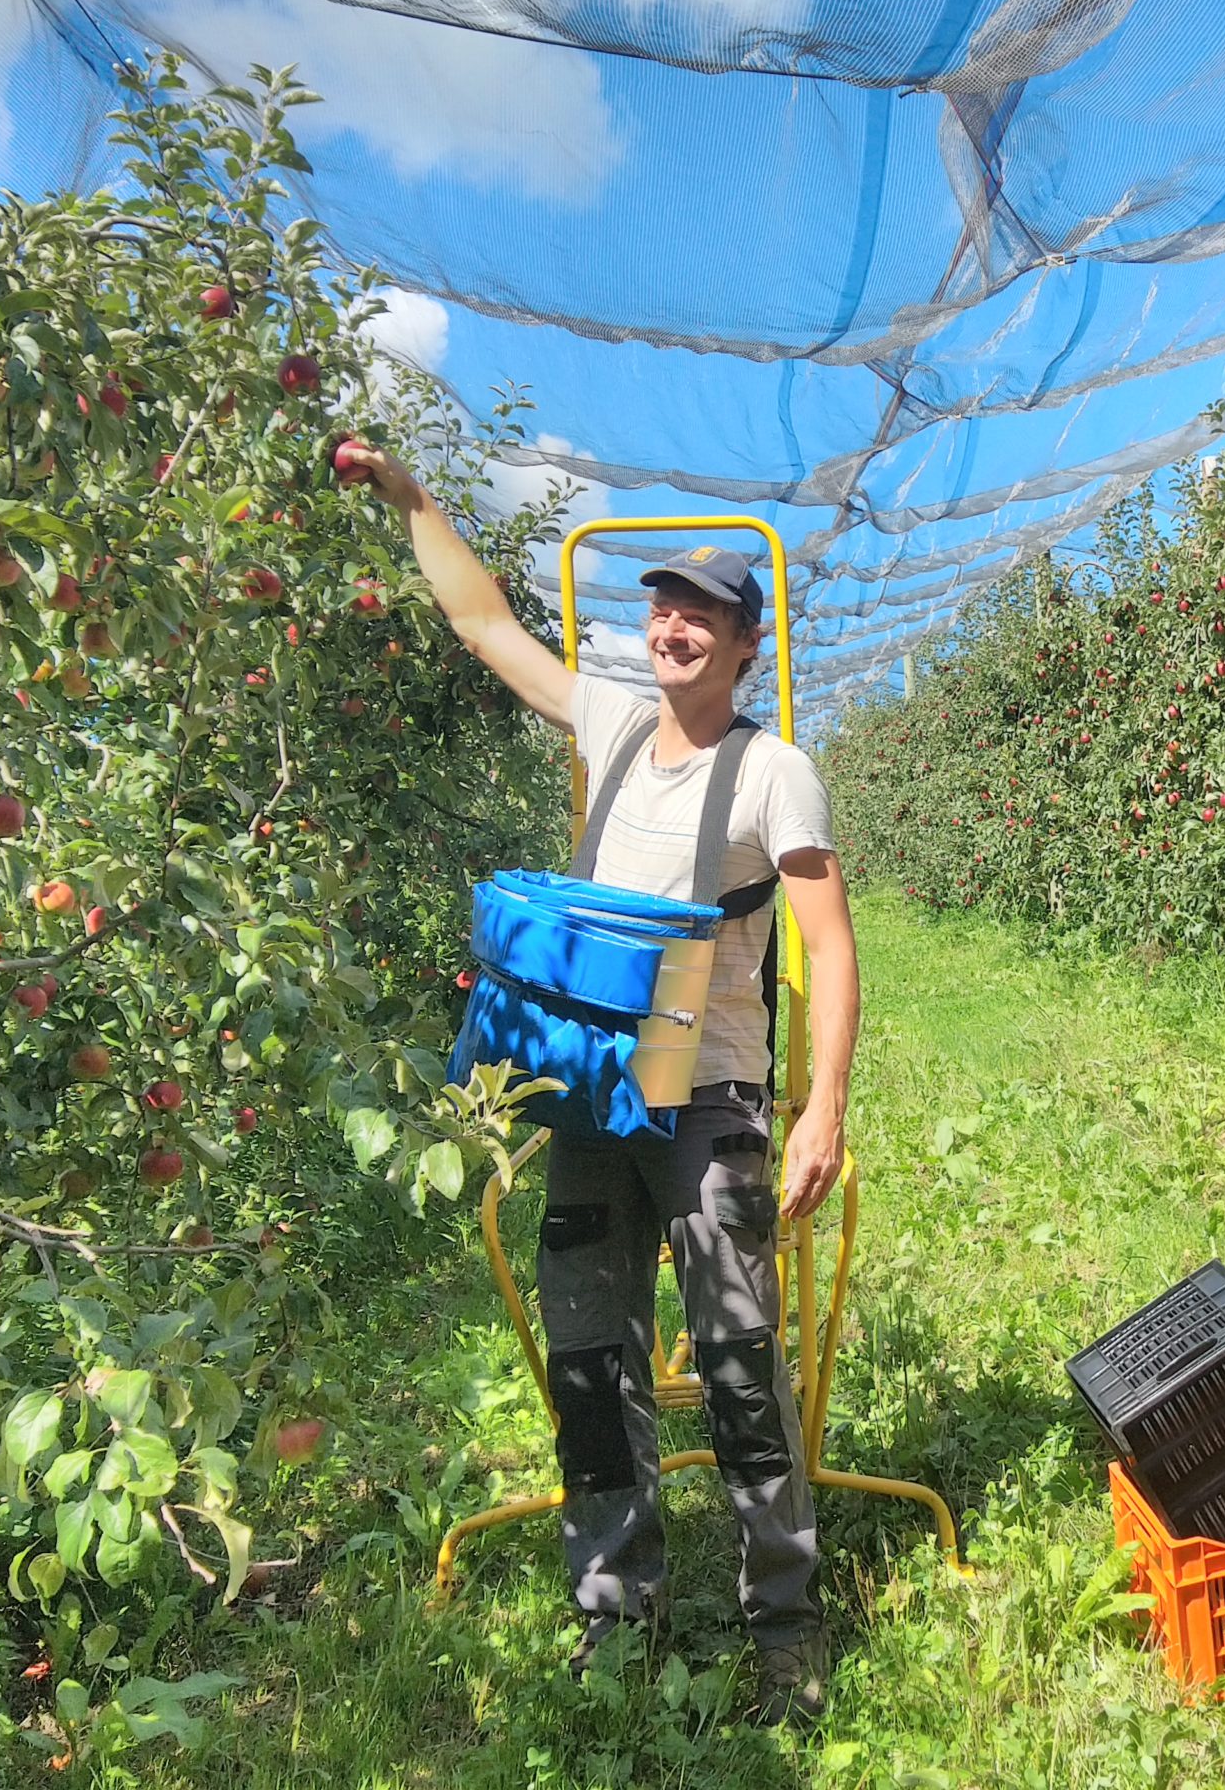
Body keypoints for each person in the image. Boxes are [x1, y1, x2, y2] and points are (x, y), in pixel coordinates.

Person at [346, 446, 854, 1728]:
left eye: (703, 611)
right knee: (589, 1362)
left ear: (745, 641)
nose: (672, 624)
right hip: (589, 1105)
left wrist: (824, 1107)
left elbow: (831, 946)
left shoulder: (774, 769)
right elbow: (479, 622)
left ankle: (783, 1621)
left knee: (737, 1362)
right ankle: (617, 1616)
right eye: (661, 604)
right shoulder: (613, 726)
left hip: (709, 1104)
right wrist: (414, 499)